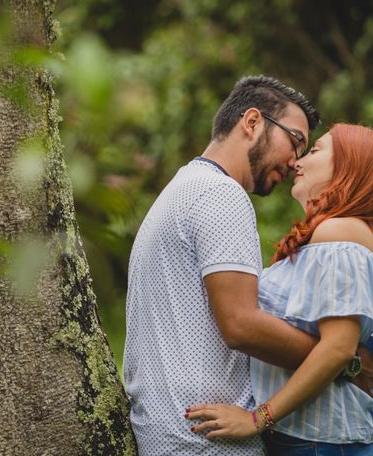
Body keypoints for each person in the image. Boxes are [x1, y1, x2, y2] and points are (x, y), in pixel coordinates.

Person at [123, 75, 336, 456]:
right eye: (295, 140)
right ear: (252, 122)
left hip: (168, 434)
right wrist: (336, 356)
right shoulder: (222, 195)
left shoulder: (184, 187)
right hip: (206, 443)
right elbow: (241, 325)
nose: (296, 161)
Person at [186, 124, 373, 456]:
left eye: (316, 150)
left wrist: (257, 418)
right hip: (311, 440)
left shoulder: (340, 233)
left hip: (322, 442)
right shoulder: (334, 235)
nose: (297, 162)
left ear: (350, 168)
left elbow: (338, 348)